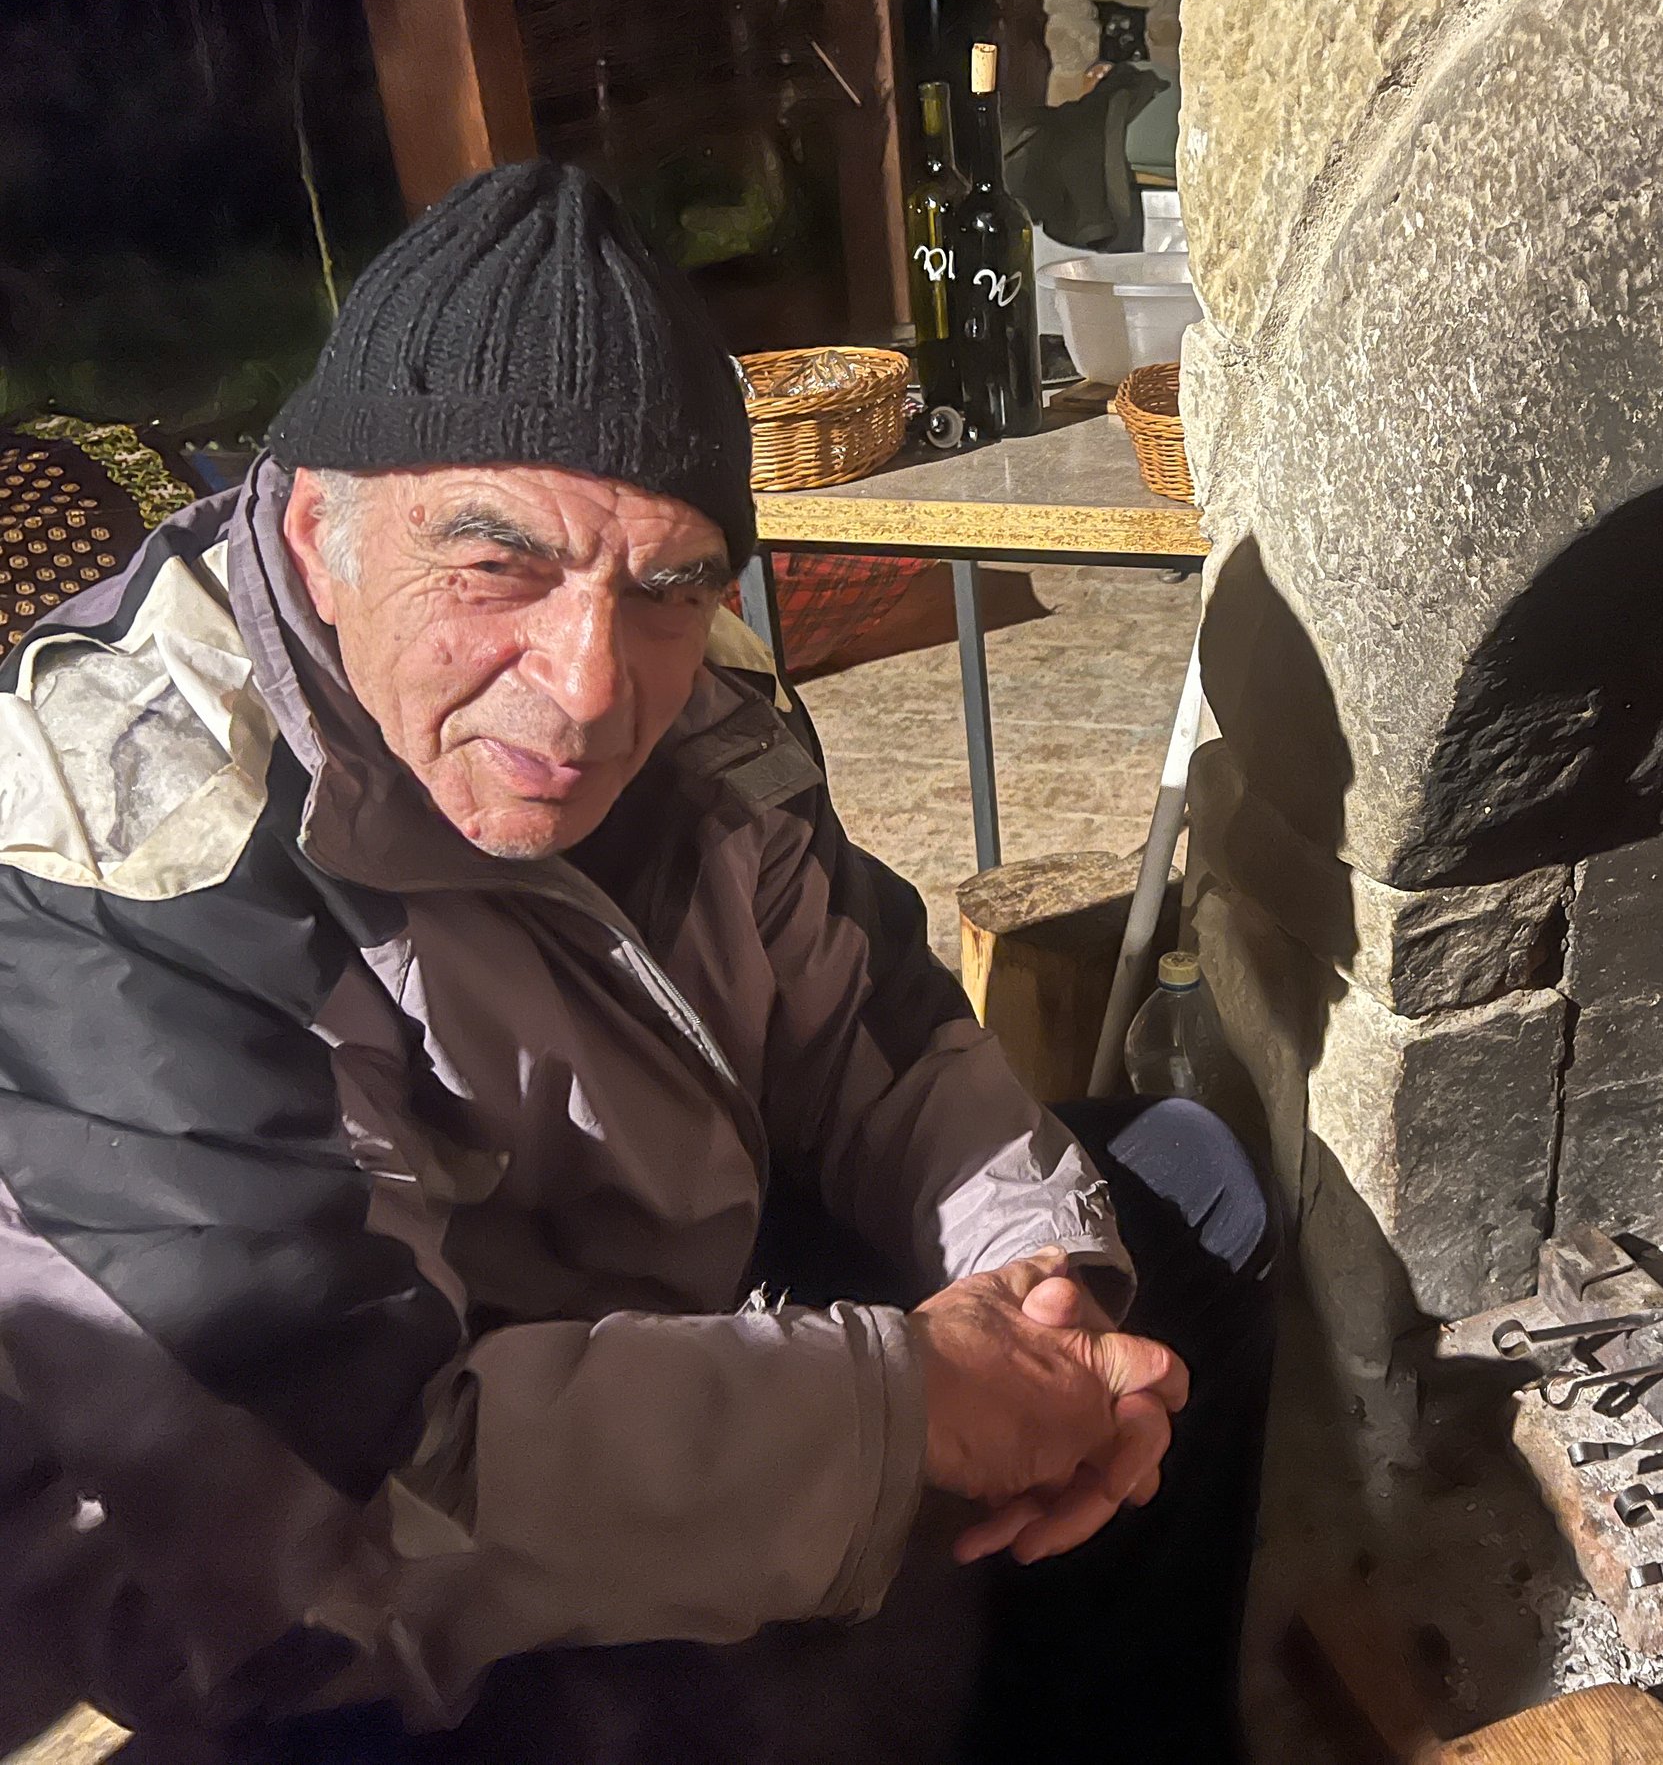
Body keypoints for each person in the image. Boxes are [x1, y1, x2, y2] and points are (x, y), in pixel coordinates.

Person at [0, 162, 1271, 1764]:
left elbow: (871, 1025)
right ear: (320, 535)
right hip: (327, 1536)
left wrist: (1044, 1287)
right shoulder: (127, 845)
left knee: (1180, 1200)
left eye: (669, 583)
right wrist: (903, 1403)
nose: (592, 684)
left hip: (652, 1324)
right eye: (496, 562)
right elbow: (305, 1518)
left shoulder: (699, 690)